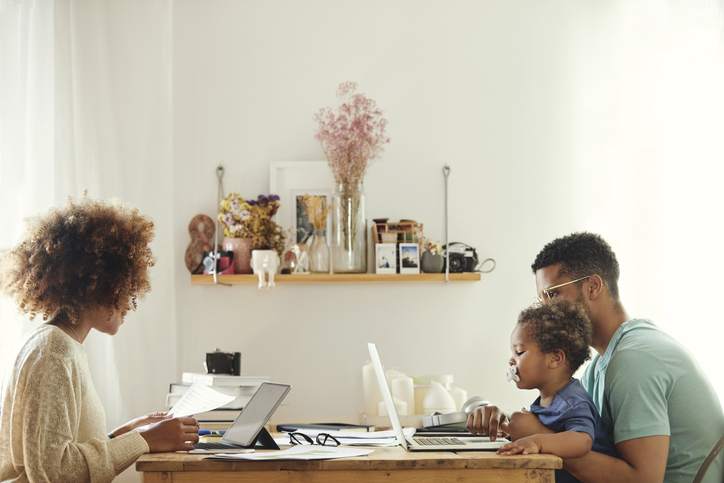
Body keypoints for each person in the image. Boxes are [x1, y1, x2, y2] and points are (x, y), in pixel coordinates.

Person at [467, 232, 724, 483]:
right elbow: (577, 433)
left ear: (592, 286)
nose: (545, 308)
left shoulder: (635, 360)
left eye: (552, 294)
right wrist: (506, 420)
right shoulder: (600, 365)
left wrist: (537, 435)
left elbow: (643, 479)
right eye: (541, 298)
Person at [0, 196, 199, 482]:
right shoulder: (53, 352)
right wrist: (144, 441)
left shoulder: (60, 344)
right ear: (100, 284)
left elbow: (55, 451)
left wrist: (125, 433)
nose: (129, 300)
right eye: (126, 285)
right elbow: (54, 472)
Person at [496, 300, 617, 483]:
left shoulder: (572, 400)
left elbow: (582, 440)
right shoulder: (548, 399)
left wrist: (537, 441)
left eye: (519, 352)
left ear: (555, 358)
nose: (511, 361)